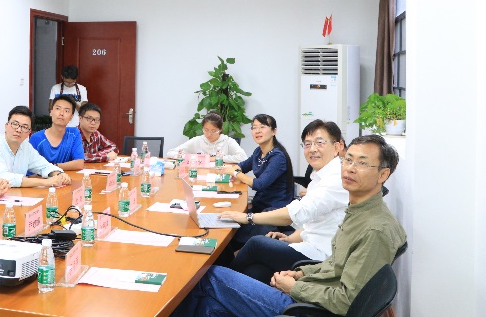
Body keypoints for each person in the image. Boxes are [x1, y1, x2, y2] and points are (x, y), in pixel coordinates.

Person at [172, 135, 406, 317]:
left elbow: (346, 302)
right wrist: (301, 273)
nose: (350, 168)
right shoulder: (357, 212)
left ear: (383, 174)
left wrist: (294, 287)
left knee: (209, 275)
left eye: (362, 163)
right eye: (348, 160)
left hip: (308, 309)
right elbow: (335, 265)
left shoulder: (374, 229)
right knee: (208, 307)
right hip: (311, 292)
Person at [223, 119, 348, 283]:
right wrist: (289, 238)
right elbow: (316, 225)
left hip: (319, 256)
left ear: (337, 147)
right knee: (256, 272)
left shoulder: (336, 179)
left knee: (256, 243)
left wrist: (248, 217)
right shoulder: (320, 177)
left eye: (320, 143)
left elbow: (295, 213)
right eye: (307, 144)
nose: (313, 149)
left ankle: (217, 281)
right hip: (308, 242)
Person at [228, 114, 295, 251]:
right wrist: (236, 169)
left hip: (273, 210)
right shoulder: (259, 151)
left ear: (274, 131)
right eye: (254, 128)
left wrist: (235, 173)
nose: (257, 131)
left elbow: (259, 184)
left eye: (262, 127)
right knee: (228, 223)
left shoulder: (277, 156)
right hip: (260, 205)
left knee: (232, 235)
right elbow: (242, 166)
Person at [0, 105, 72, 188]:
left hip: (18, 195)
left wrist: (59, 174)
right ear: (6, 126)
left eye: (25, 127)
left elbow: (44, 166)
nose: (19, 130)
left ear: (29, 132)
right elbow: (3, 178)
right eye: (15, 124)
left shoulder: (26, 147)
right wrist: (44, 182)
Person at [29, 95, 85, 170]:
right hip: (43, 177)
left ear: (71, 117)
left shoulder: (74, 133)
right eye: (58, 109)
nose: (61, 113)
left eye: (66, 111)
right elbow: (31, 169)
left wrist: (53, 166)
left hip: (67, 177)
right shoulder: (36, 138)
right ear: (51, 112)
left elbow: (79, 164)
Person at [167, 112, 247, 163]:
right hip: (200, 175)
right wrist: (192, 157)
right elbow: (170, 153)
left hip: (220, 175)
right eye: (206, 130)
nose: (209, 134)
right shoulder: (197, 140)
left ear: (220, 129)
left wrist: (217, 158)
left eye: (213, 131)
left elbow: (243, 157)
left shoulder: (227, 141)